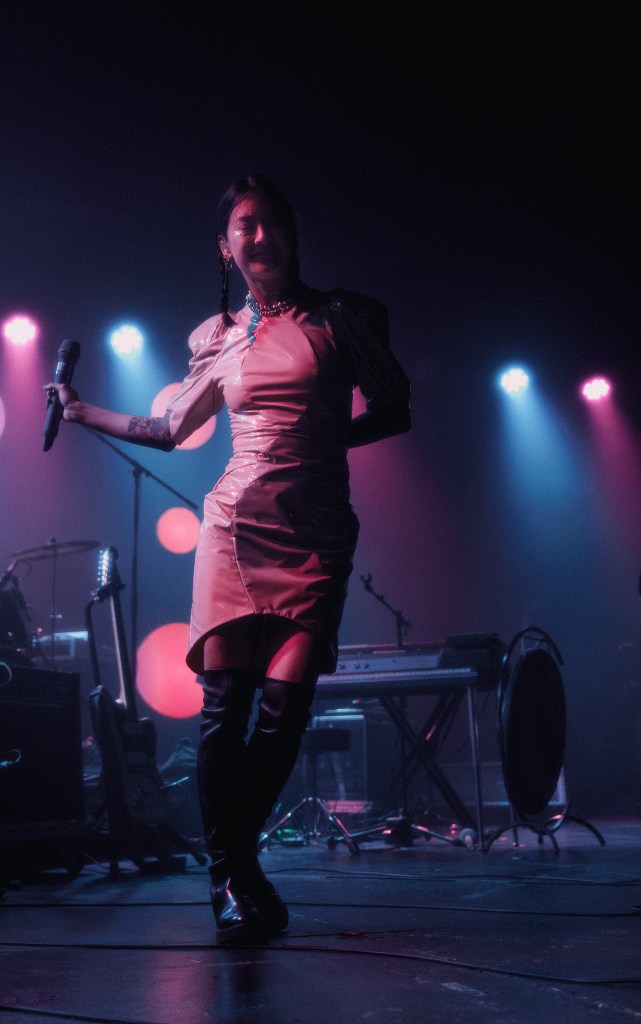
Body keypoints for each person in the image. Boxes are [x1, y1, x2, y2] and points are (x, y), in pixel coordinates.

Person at [45, 174, 411, 944]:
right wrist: (80, 412)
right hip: (235, 530)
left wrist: (320, 443)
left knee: (284, 714)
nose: (260, 235)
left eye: (271, 221)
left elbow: (392, 409)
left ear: (291, 233)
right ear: (226, 246)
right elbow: (168, 429)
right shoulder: (218, 338)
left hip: (315, 533)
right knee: (226, 712)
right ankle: (231, 879)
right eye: (245, 225)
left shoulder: (343, 318)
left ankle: (236, 867)